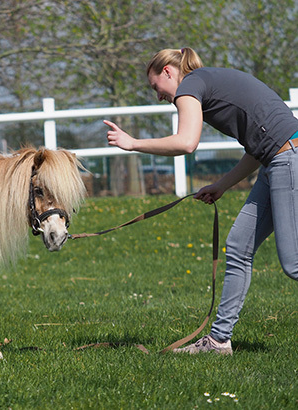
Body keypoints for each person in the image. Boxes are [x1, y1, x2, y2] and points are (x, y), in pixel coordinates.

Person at [105, 47, 298, 355]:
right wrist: (222, 185)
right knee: (238, 247)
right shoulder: (206, 82)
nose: (158, 96)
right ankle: (219, 341)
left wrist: (133, 143)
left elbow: (186, 142)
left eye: (156, 87)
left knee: (293, 263)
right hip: (277, 158)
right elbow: (258, 147)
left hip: (288, 159)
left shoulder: (190, 85)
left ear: (168, 72)